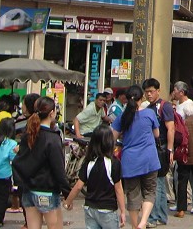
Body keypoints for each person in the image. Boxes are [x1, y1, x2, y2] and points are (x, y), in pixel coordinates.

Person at [12, 96, 70, 229]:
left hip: (28, 190)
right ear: (51, 113)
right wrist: (68, 194)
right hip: (48, 192)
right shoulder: (53, 138)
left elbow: (20, 160)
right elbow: (59, 170)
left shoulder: (28, 134)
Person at [111, 85, 160, 229]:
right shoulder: (150, 114)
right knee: (150, 191)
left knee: (133, 195)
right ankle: (143, 221)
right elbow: (157, 134)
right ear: (142, 97)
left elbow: (112, 137)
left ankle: (134, 225)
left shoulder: (122, 117)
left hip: (130, 161)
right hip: (149, 158)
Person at [63, 125, 127, 229]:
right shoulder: (114, 163)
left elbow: (79, 186)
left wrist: (68, 202)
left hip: (90, 208)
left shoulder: (89, 162)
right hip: (107, 210)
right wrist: (123, 211)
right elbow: (118, 189)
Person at [142, 78, 175, 228]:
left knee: (155, 184)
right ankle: (161, 216)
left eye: (151, 91)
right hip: (153, 148)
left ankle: (155, 217)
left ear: (158, 91)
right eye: (146, 92)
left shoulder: (165, 106)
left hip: (161, 149)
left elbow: (171, 128)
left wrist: (169, 149)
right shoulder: (149, 107)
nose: (148, 94)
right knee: (159, 183)